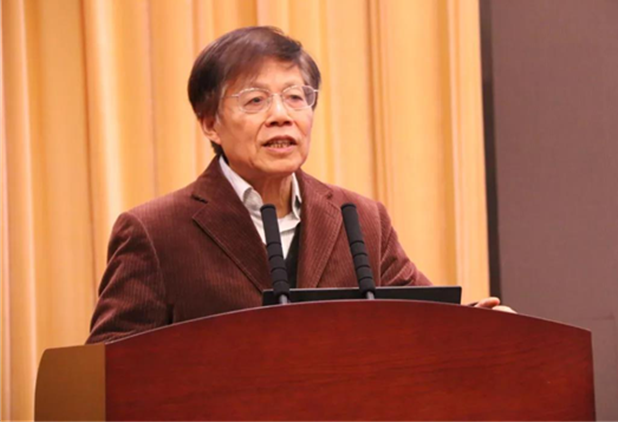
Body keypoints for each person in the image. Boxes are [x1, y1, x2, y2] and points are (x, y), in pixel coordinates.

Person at [87, 26, 511, 344]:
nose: (281, 115)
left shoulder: (360, 218)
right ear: (210, 123)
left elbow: (422, 321)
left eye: (295, 97)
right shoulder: (156, 231)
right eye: (255, 100)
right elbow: (110, 369)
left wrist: (476, 324)